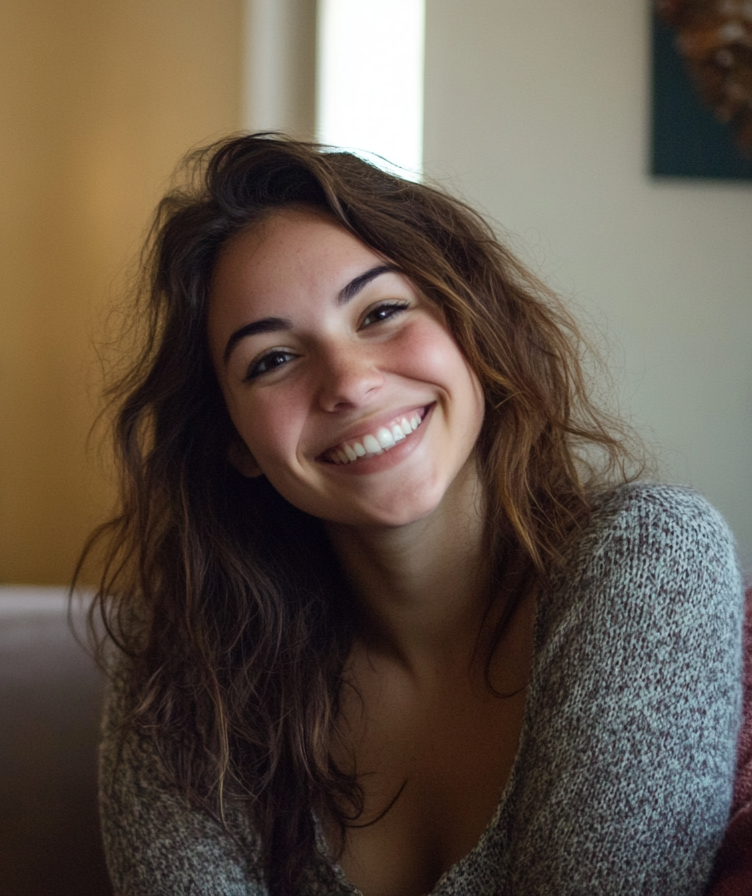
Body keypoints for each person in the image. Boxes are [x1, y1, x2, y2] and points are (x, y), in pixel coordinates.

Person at [81, 133, 743, 896]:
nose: (350, 383)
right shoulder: (181, 661)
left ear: (469, 322)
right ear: (235, 443)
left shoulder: (651, 564)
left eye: (382, 311)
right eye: (272, 360)